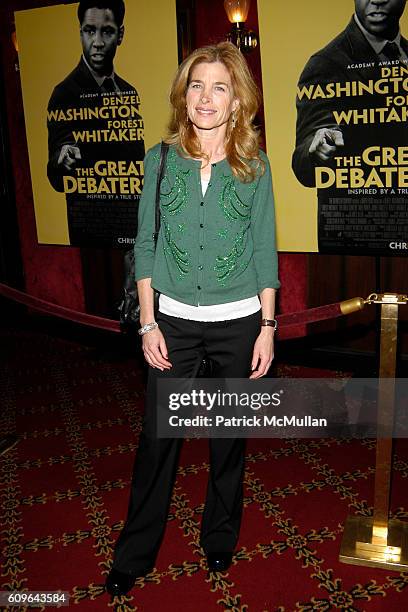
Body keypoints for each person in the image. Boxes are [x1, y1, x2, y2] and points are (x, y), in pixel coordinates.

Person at [105, 41, 280, 597]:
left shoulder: (255, 165)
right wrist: (149, 324)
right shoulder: (159, 160)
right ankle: (134, 552)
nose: (206, 98)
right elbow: (147, 244)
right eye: (197, 86)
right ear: (184, 97)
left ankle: (220, 537)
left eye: (219, 88)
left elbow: (264, 252)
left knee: (229, 437)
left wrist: (268, 329)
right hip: (173, 324)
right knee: (159, 440)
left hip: (239, 322)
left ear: (236, 102)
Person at [47, 0, 145, 246]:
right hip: (92, 231)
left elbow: (136, 163)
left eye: (107, 31)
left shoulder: (127, 91)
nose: (98, 42)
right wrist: (63, 159)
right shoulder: (64, 93)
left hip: (131, 225)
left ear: (120, 34)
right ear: (80, 32)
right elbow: (56, 176)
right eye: (90, 30)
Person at [292, 0, 408, 188]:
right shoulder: (324, 64)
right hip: (359, 214)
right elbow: (303, 164)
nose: (377, 0)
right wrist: (316, 150)